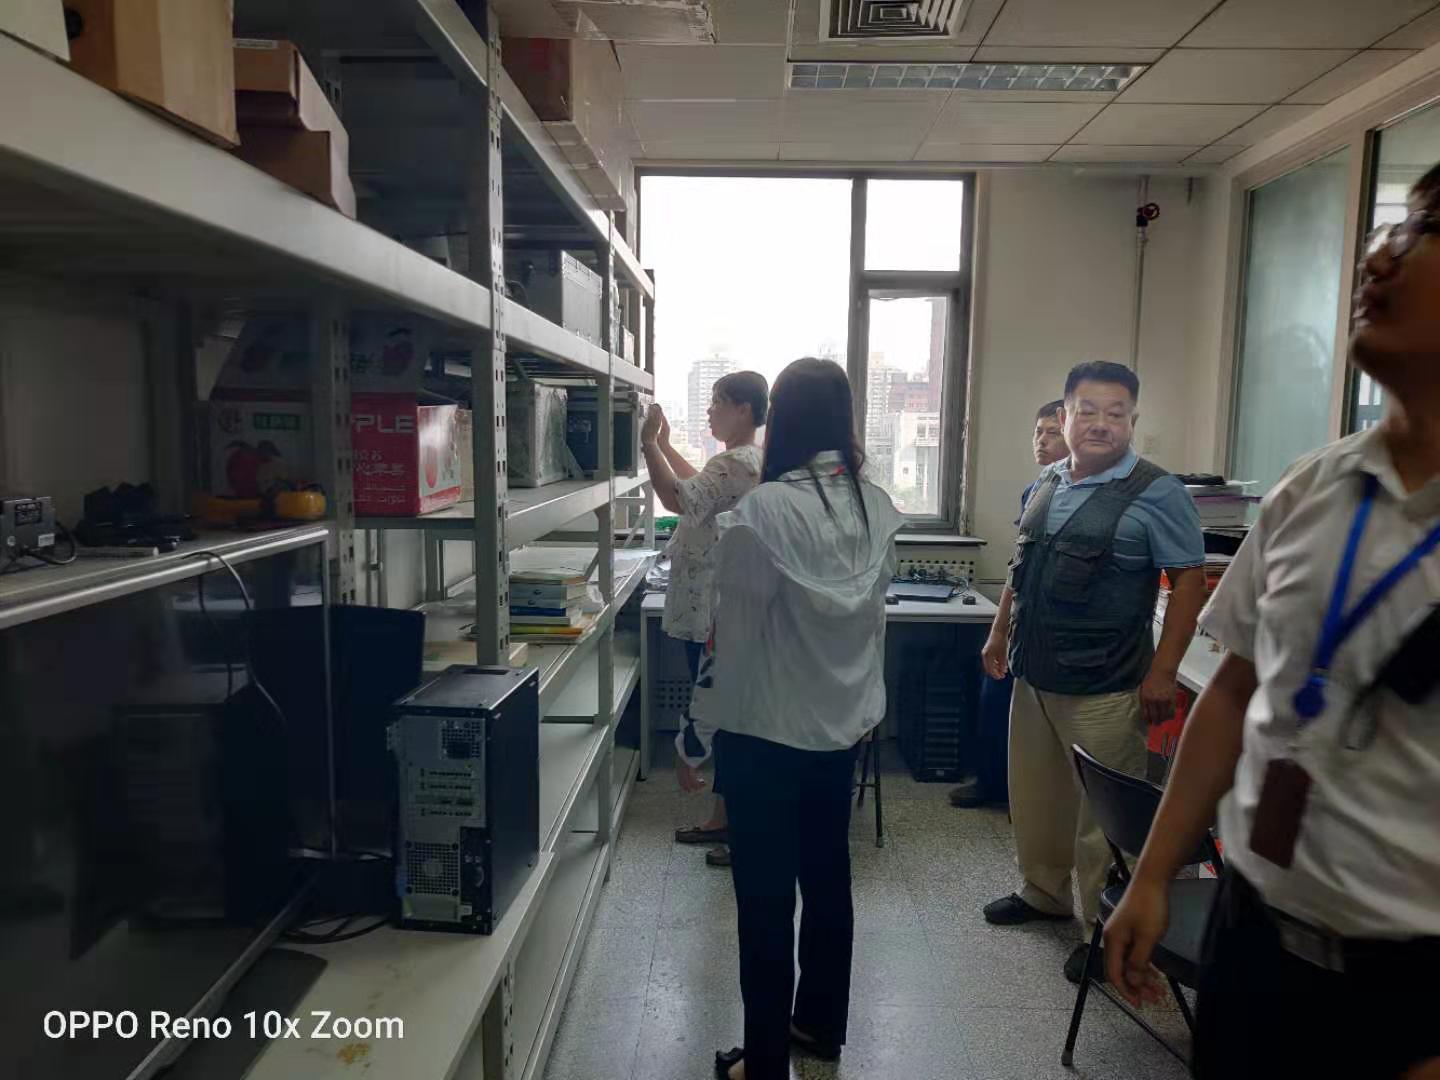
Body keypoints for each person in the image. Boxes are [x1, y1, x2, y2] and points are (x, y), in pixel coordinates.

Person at [1103, 165, 1440, 1080]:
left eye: (1418, 233)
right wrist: (1153, 874)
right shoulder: (1311, 487)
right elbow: (1237, 689)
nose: (1378, 256)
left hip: (1412, 987)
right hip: (1257, 940)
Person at [676, 358, 905, 1080]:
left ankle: (766, 1062)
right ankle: (819, 1027)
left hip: (764, 734)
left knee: (766, 900)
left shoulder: (764, 512)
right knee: (828, 881)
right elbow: (873, 626)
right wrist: (865, 708)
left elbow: (731, 641)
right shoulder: (873, 505)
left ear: (784, 420)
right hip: (838, 732)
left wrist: (695, 736)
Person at [980, 361, 1207, 984]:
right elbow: (1021, 567)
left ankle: (1104, 931)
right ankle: (1043, 894)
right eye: (1087, 411)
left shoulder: (1157, 492)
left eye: (1116, 413)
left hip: (1105, 684)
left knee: (1100, 820)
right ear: (1065, 416)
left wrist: (1164, 671)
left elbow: (1189, 583)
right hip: (1033, 672)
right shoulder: (1049, 480)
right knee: (1038, 798)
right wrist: (999, 631)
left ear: (1132, 420)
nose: (1101, 424)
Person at [642, 371, 768, 869]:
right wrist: (667, 448)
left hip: (711, 612)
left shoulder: (736, 461)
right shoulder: (742, 461)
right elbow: (699, 488)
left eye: (718, 402)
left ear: (743, 409)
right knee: (727, 718)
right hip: (714, 609)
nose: (711, 410)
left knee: (724, 721)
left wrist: (649, 444)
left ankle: (738, 827)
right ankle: (722, 818)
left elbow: (678, 498)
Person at [951, 398, 1069, 808]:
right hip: (1024, 617)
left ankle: (1027, 796)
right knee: (994, 694)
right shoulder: (1034, 492)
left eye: (1052, 432)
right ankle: (993, 784)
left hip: (1060, 628)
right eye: (1038, 432)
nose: (1041, 440)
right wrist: (999, 628)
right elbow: (1019, 564)